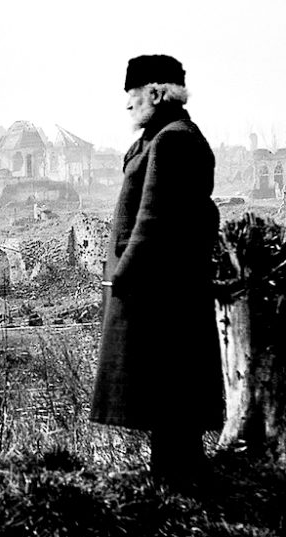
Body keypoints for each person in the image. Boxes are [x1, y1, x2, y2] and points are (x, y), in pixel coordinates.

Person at [90, 55, 224, 485]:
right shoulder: (163, 137)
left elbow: (152, 220)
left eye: (134, 95)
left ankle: (180, 485)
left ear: (155, 93)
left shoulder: (173, 140)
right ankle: (173, 479)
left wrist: (122, 275)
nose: (128, 105)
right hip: (164, 287)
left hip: (163, 290)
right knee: (169, 394)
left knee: (171, 391)